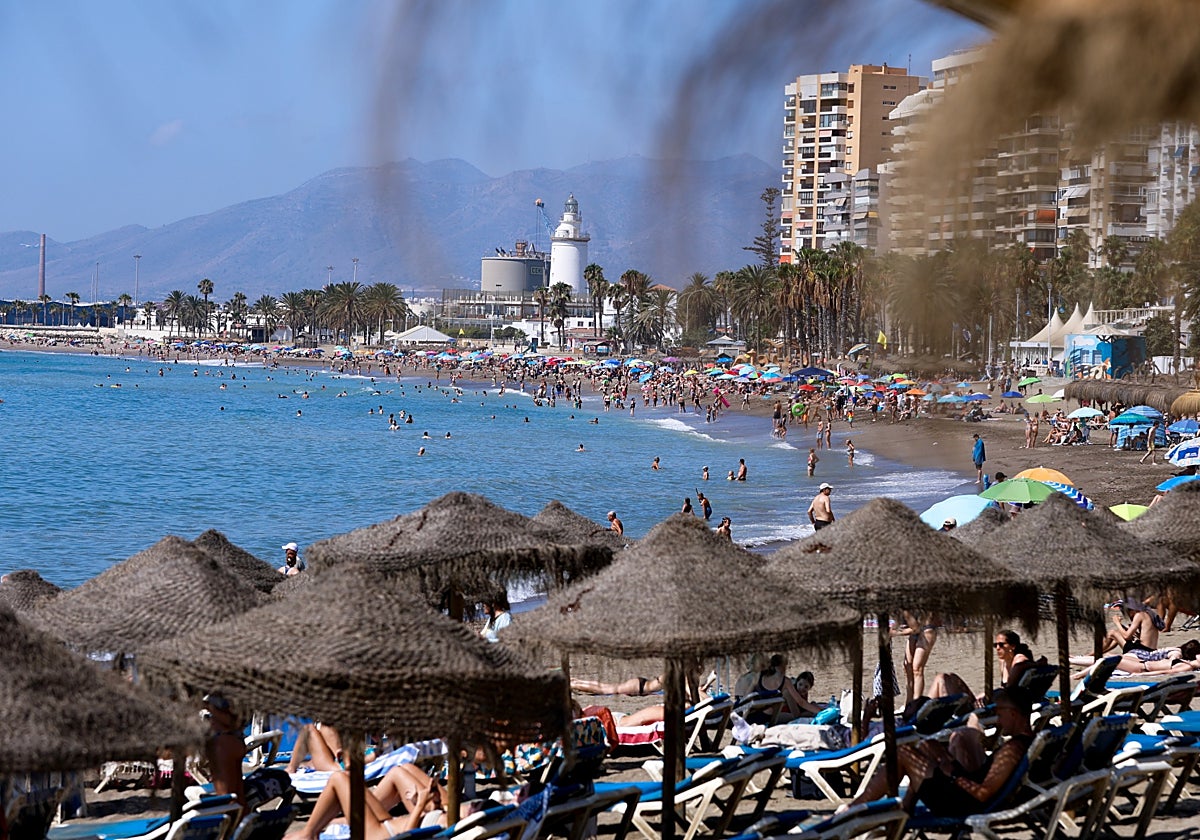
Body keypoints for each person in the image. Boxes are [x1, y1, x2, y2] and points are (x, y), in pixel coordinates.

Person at [843, 688, 1034, 818]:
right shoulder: (1027, 743)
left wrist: (952, 772)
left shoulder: (1013, 749)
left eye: (1000, 714)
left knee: (903, 753)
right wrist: (948, 762)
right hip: (967, 791)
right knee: (929, 745)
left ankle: (854, 809)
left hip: (962, 803)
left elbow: (983, 793)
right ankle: (907, 807)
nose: (999, 721)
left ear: (1013, 714)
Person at [283, 761, 458, 840]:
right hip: (387, 824)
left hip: (381, 835)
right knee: (349, 778)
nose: (473, 806)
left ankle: (309, 833)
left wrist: (419, 805)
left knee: (338, 779)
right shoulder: (451, 818)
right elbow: (425, 824)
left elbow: (408, 837)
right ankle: (318, 827)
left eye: (474, 806)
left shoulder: (453, 823)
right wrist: (430, 801)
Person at [203, 693, 246, 807]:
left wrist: (207, 706)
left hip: (223, 742)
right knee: (238, 795)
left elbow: (231, 722)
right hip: (235, 739)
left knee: (226, 797)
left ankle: (234, 823)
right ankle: (243, 821)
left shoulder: (219, 694)